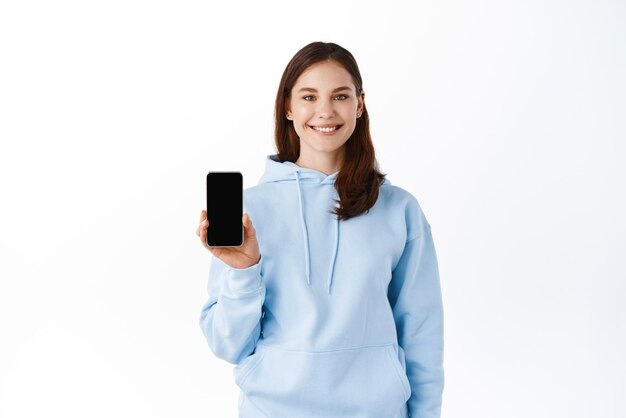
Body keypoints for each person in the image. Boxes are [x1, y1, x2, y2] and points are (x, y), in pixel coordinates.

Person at [196, 41, 444, 418]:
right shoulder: (250, 211)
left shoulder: (399, 210)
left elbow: (422, 334)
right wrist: (244, 272)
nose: (325, 111)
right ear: (288, 107)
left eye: (340, 96)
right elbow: (228, 344)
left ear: (359, 104)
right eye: (309, 97)